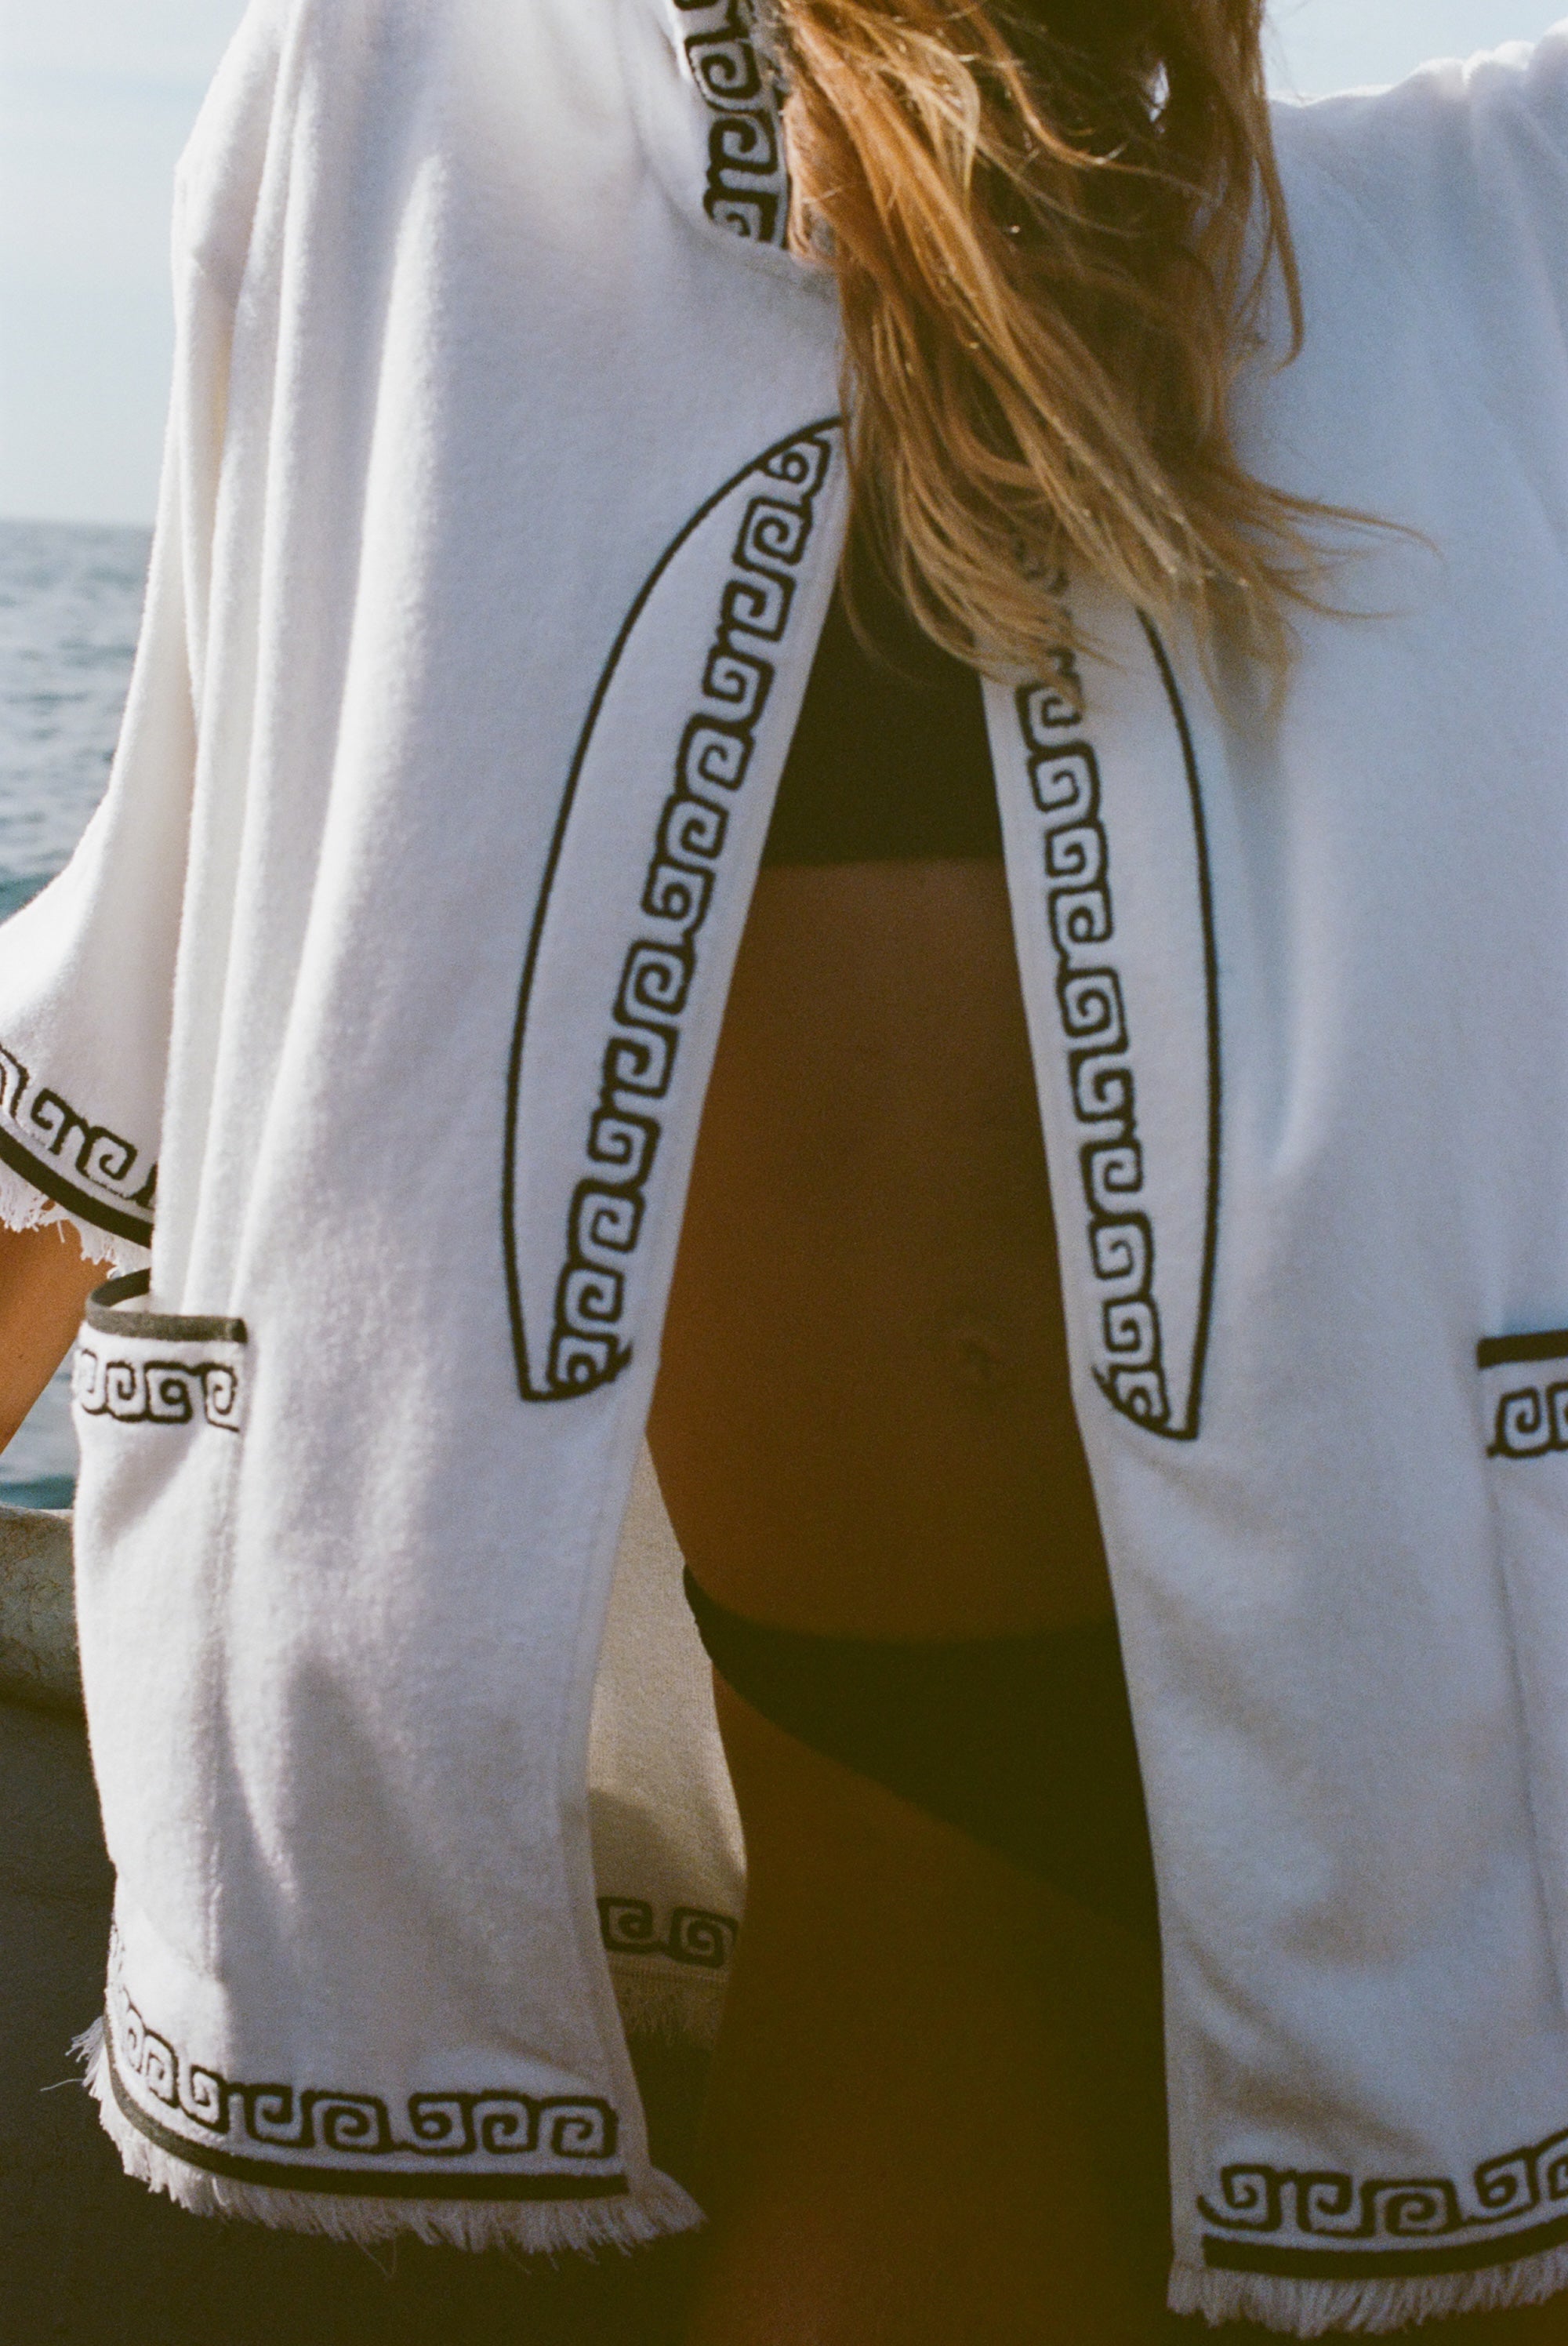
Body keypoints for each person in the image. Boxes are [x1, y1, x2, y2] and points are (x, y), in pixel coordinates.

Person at [5, 1, 1568, 2338]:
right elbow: (172, 939)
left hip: (1461, 1780)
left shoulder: (1442, 249)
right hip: (890, 1831)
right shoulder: (424, 138)